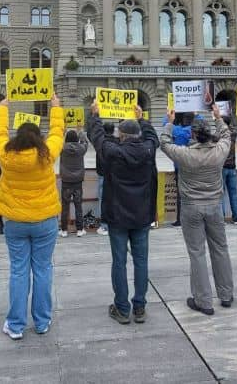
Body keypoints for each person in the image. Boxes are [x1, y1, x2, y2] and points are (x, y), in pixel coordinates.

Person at [0, 95, 64, 340]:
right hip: (45, 220)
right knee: (43, 269)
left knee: (18, 271)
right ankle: (42, 322)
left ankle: (15, 325)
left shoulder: (5, 154)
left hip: (14, 222)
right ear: (38, 138)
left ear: (17, 137)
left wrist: (2, 109)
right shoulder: (47, 154)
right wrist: (55, 107)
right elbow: (57, 132)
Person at [160, 104, 235, 316]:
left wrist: (170, 122)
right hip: (214, 205)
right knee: (221, 248)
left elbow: (164, 142)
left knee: (197, 253)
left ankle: (203, 300)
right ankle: (226, 294)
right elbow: (226, 135)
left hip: (191, 206)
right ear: (209, 133)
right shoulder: (220, 151)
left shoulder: (184, 154)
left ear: (192, 134)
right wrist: (218, 117)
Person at [87, 102, 159, 324]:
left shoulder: (114, 152)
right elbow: (153, 137)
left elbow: (97, 138)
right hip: (142, 216)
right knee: (141, 261)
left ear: (122, 136)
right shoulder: (148, 150)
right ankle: (139, 307)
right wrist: (143, 119)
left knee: (119, 261)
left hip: (118, 216)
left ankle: (121, 307)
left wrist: (95, 116)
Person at [59, 129, 89, 237]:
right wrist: (81, 131)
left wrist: (62, 133)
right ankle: (80, 229)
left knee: (65, 206)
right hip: (77, 181)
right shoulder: (81, 148)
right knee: (78, 205)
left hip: (66, 181)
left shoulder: (62, 148)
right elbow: (86, 142)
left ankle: (64, 230)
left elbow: (57, 142)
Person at [169, 112, 194, 227]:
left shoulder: (177, 130)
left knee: (179, 194)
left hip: (179, 167)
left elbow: (166, 124)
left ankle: (180, 219)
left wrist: (171, 117)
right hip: (193, 167)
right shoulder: (194, 130)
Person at [94, 122, 116, 236]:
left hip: (103, 174)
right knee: (115, 199)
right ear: (113, 130)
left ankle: (104, 225)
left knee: (102, 199)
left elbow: (92, 134)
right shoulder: (118, 141)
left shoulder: (100, 142)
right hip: (115, 175)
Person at [220, 114, 237, 225]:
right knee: (234, 193)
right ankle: (236, 218)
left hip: (222, 166)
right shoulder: (235, 134)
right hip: (232, 166)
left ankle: (221, 218)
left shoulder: (219, 134)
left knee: (220, 194)